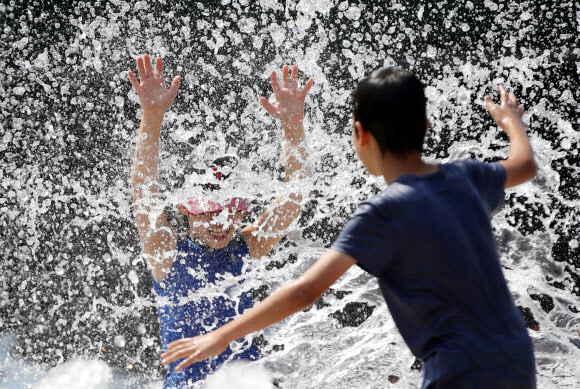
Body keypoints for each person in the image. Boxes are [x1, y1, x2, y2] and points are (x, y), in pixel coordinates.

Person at [160, 67, 538, 388]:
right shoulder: (467, 176)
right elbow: (524, 165)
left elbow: (305, 291)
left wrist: (218, 337)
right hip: (516, 354)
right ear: (426, 126)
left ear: (360, 135)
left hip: (459, 367)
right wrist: (511, 123)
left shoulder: (381, 214)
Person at [128, 54, 313, 387]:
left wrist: (293, 125)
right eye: (208, 211)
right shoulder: (167, 253)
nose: (221, 222)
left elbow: (294, 198)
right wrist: (152, 116)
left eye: (231, 211)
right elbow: (143, 191)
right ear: (185, 209)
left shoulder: (246, 246)